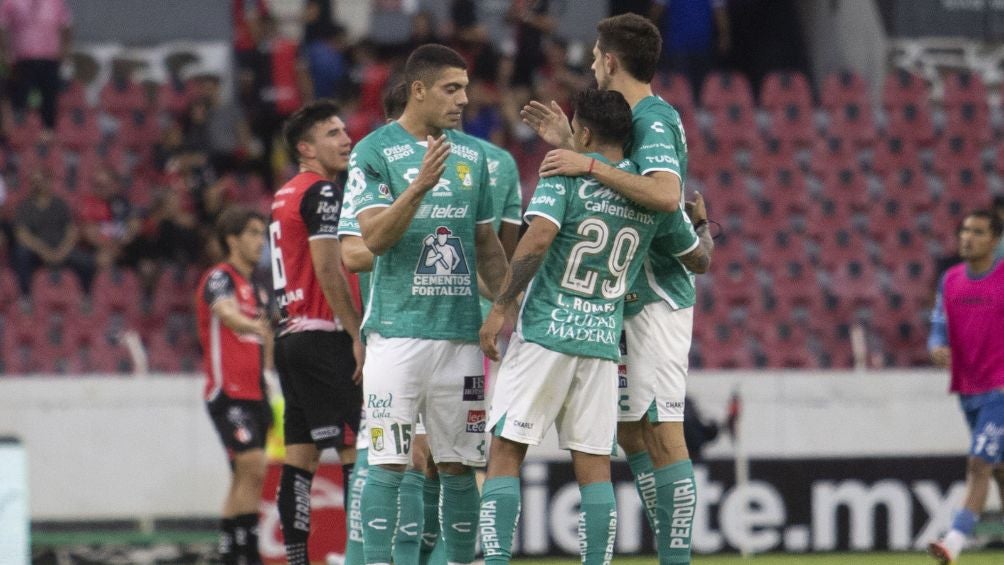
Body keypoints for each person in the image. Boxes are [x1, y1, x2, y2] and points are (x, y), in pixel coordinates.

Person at [521, 13, 714, 564]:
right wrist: (576, 147)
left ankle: (677, 561)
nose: (590, 64)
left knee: (663, 431)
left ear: (609, 60)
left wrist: (584, 162)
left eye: (595, 55)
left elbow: (662, 194)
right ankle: (669, 550)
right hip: (621, 294)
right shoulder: (630, 119)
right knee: (629, 434)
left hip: (656, 295)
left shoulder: (653, 118)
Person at [478, 88, 671, 565]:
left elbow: (538, 238)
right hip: (601, 341)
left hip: (546, 331)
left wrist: (501, 306)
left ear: (582, 132)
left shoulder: (562, 172)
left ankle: (497, 561)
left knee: (505, 449)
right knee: (594, 465)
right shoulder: (646, 193)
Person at [348, 43, 508, 565]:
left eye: (465, 88)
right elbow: (371, 239)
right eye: (451, 88)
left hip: (460, 339)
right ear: (418, 90)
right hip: (395, 335)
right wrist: (417, 188)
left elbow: (486, 245)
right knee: (390, 463)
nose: (464, 99)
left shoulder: (474, 156)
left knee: (460, 464)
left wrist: (509, 306)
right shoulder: (373, 152)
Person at [269, 99, 364, 565]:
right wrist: (356, 332)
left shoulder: (284, 194)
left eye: (345, 130)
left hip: (289, 336)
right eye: (332, 133)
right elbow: (328, 266)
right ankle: (362, 555)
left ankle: (297, 560)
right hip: (323, 334)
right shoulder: (323, 193)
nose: (346, 139)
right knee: (356, 448)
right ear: (305, 148)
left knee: (300, 456)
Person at [196, 207, 272, 565]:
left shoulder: (258, 287)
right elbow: (224, 312)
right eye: (254, 233)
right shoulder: (219, 278)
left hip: (257, 392)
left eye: (262, 233)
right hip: (228, 393)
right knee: (252, 464)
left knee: (248, 475)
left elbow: (269, 339)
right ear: (232, 239)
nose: (261, 241)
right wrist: (251, 326)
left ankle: (234, 552)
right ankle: (247, 554)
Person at [927, 210, 1004, 565]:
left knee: (978, 464)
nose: (966, 237)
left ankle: (953, 543)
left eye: (976, 231)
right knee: (999, 470)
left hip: (1000, 390)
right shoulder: (951, 280)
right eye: (964, 230)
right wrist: (936, 346)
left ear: (994, 240)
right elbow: (938, 323)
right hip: (968, 389)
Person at [12, 169, 94, 295]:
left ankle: (86, 295)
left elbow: (71, 231)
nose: (37, 184)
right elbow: (22, 234)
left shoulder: (60, 204)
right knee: (21, 253)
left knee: (87, 261)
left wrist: (61, 252)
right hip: (37, 251)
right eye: (34, 181)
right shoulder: (25, 206)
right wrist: (44, 251)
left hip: (60, 249)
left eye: (40, 180)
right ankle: (25, 295)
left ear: (48, 181)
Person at [0, 0, 73, 134]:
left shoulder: (56, 3)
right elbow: (3, 26)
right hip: (22, 58)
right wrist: (5, 51)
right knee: (19, 96)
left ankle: (48, 131)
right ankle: (18, 130)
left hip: (49, 57)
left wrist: (66, 51)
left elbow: (66, 26)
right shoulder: (10, 3)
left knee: (49, 97)